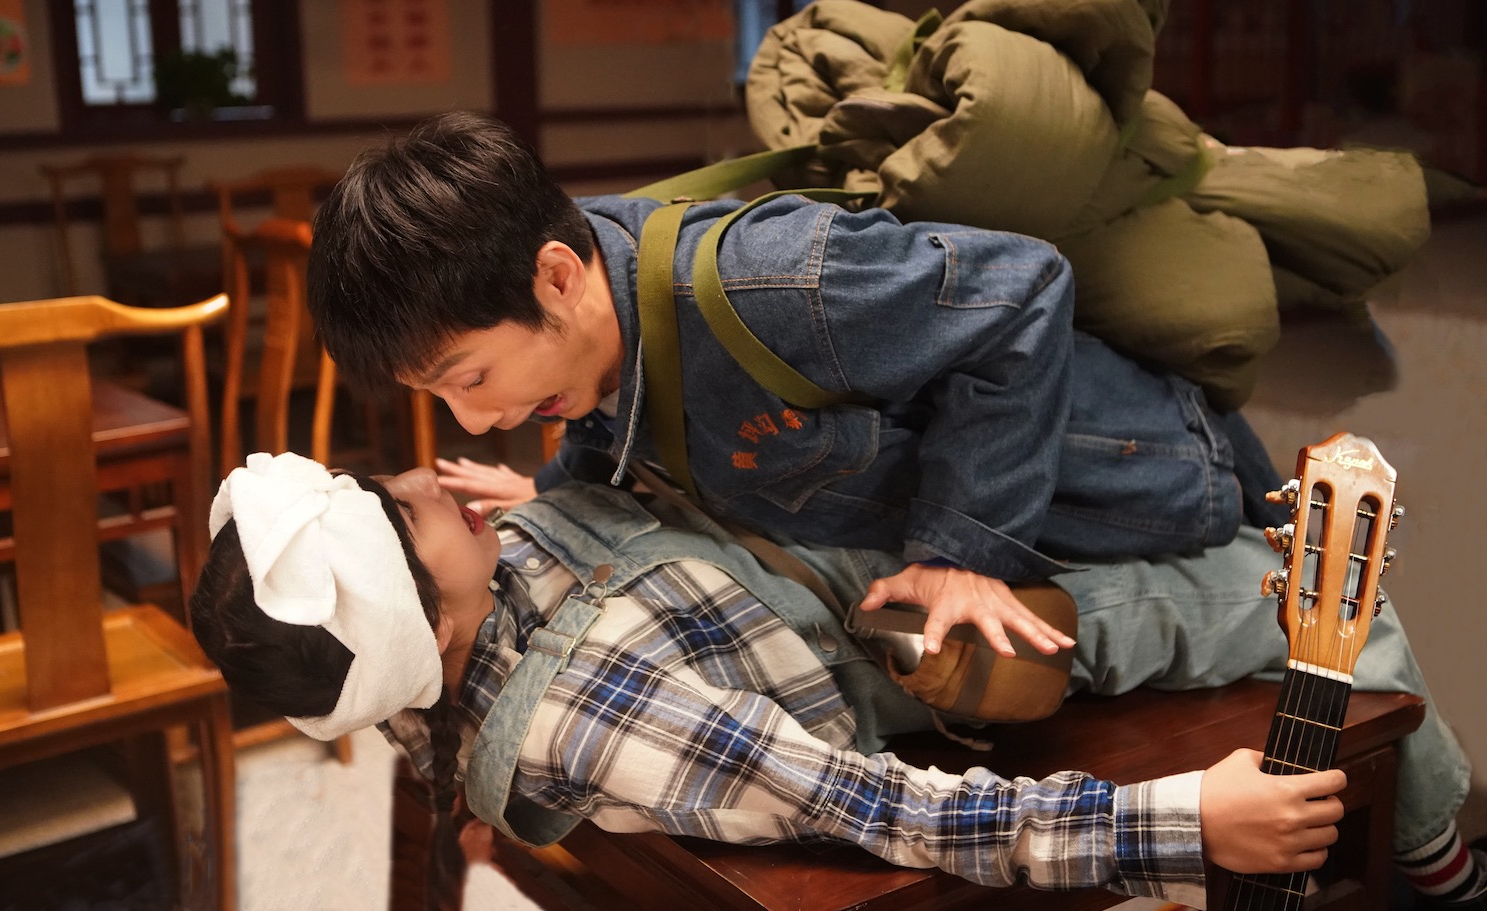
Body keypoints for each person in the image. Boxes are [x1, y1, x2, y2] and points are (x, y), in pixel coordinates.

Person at [191, 452, 1484, 910]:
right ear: (423, 617)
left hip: (803, 554)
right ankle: (1444, 866)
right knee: (1333, 599)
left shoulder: (424, 664)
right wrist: (1187, 820)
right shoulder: (606, 719)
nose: (421, 476)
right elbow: (892, 808)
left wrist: (551, 506)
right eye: (400, 511)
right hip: (913, 642)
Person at [305, 110, 1290, 664]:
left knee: (1326, 644)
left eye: (471, 378)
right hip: (1033, 545)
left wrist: (962, 553)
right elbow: (622, 410)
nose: (476, 418)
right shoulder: (586, 294)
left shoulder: (777, 285)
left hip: (1141, 486)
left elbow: (1024, 287)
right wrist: (550, 490)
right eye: (440, 395)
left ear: (557, 279)